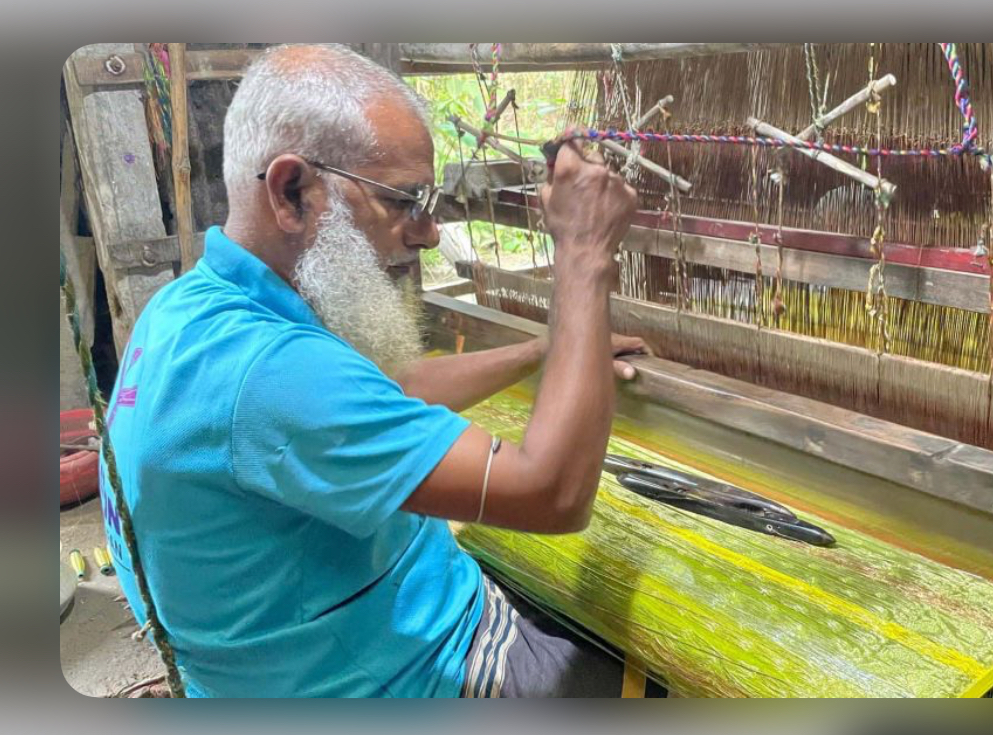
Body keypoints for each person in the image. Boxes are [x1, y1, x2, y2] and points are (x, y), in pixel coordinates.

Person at [99, 43, 643, 697]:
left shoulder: (192, 307)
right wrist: (584, 252)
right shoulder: (269, 375)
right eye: (403, 200)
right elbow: (553, 494)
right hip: (401, 678)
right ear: (291, 189)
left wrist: (550, 352)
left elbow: (385, 390)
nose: (428, 233)